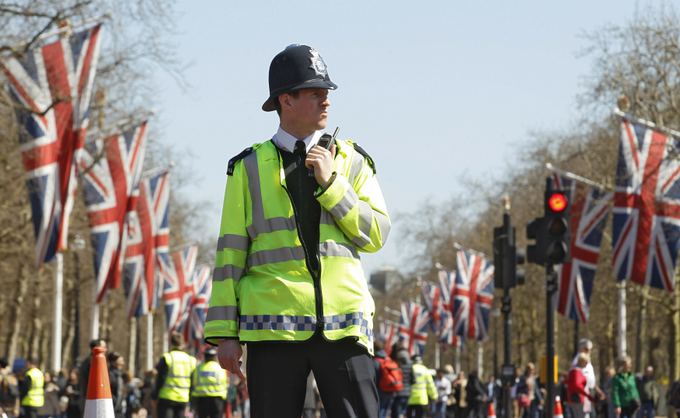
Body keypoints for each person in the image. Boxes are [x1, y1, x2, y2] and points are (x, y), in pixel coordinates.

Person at [205, 43, 390, 418]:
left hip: (344, 326)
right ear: (285, 100)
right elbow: (230, 254)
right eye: (315, 93)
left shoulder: (352, 161)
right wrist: (225, 334)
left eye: (327, 93)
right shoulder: (247, 167)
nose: (326, 101)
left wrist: (333, 184)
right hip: (274, 328)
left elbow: (375, 236)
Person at [152, 332, 197, 418]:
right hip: (183, 398)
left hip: (166, 397)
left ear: (171, 343)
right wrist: (191, 399)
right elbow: (193, 382)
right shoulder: (191, 360)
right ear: (183, 344)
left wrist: (154, 396)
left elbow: (160, 379)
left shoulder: (167, 358)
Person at [190, 348, 228, 418]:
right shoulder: (220, 369)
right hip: (217, 399)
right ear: (214, 356)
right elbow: (224, 383)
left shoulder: (198, 369)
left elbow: (194, 383)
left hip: (202, 399)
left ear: (205, 356)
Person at [567, 353, 595, 418]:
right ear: (581, 361)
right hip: (578, 398)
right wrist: (588, 395)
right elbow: (577, 385)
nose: (586, 365)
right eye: (586, 362)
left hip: (574, 398)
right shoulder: (577, 372)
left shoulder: (573, 371)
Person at [392, 348, 413, 418]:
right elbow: (414, 380)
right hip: (407, 392)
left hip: (398, 391)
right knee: (403, 412)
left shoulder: (396, 364)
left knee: (396, 411)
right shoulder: (411, 364)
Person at [107, 352, 125, 418]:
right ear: (114, 362)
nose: (123, 362)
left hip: (118, 408)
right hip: (112, 407)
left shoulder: (119, 374)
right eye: (120, 360)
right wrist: (114, 400)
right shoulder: (110, 374)